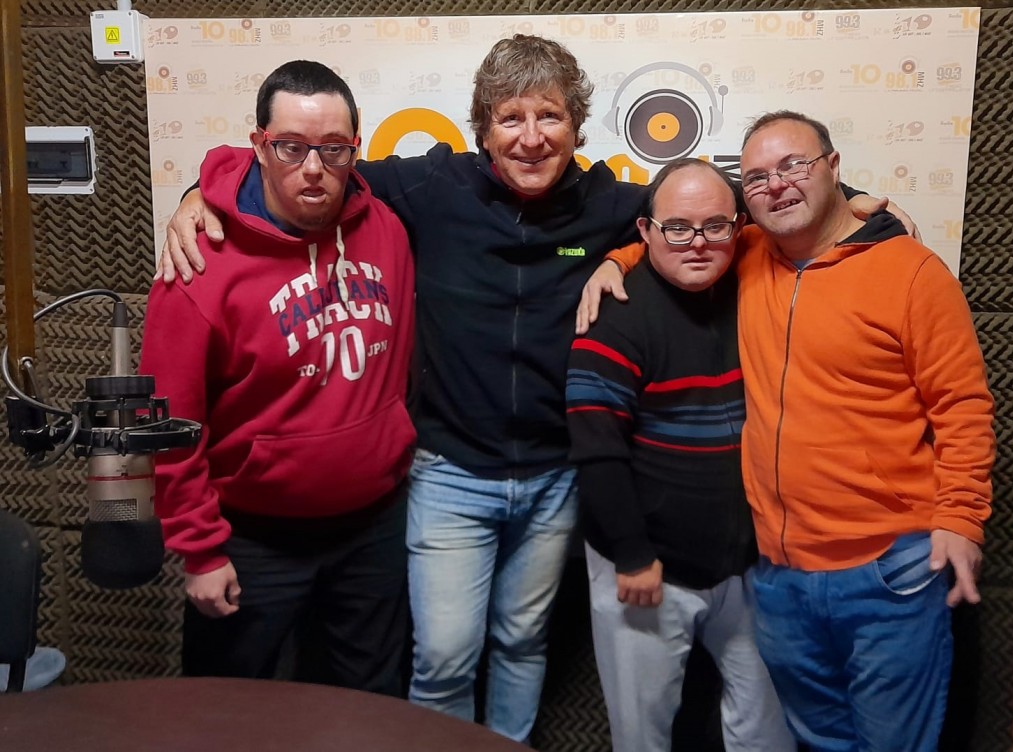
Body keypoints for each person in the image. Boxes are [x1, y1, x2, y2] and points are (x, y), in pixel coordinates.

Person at [157, 38, 900, 741]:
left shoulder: (609, 204)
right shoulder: (429, 187)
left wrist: (849, 203)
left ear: (576, 127)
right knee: (443, 654)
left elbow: (711, 207)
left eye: (550, 116)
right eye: (511, 118)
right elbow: (304, 165)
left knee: (521, 641)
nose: (532, 137)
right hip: (449, 475)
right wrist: (202, 190)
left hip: (553, 480)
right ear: (483, 128)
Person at [139, 60, 416, 695]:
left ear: (355, 148)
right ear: (259, 145)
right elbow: (167, 425)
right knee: (232, 711)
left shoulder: (387, 231)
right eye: (291, 146)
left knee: (368, 711)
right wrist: (199, 550)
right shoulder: (199, 263)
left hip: (373, 529)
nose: (313, 167)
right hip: (251, 539)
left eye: (333, 148)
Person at [734, 111, 995, 751]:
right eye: (756, 177)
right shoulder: (743, 256)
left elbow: (961, 404)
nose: (776, 185)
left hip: (891, 572)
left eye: (793, 165)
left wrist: (962, 518)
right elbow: (663, 228)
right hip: (779, 575)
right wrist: (614, 261)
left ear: (833, 168)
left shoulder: (910, 270)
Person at [566, 158, 793, 752]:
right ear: (645, 232)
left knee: (769, 731)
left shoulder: (757, 289)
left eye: (715, 226)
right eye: (678, 228)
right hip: (646, 567)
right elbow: (597, 450)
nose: (698, 242)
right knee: (643, 737)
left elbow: (811, 204)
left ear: (739, 227)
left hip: (750, 566)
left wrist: (866, 204)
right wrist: (632, 554)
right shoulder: (613, 316)